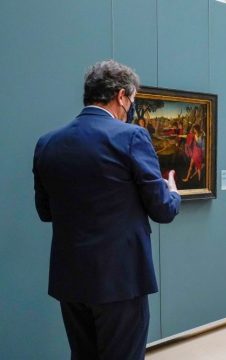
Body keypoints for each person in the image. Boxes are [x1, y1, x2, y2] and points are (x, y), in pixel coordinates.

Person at [32, 60, 181, 360]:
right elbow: (162, 209)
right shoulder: (131, 137)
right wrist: (172, 192)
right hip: (121, 281)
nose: (132, 108)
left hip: (71, 280)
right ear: (121, 96)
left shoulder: (47, 144)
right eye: (133, 100)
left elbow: (45, 211)